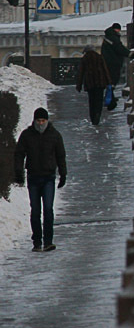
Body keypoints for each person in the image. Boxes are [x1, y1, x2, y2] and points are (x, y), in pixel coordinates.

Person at [14, 107, 67, 252]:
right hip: (33, 178)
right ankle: (37, 241)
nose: (41, 123)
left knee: (48, 210)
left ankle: (48, 241)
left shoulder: (54, 135)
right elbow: (19, 154)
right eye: (38, 120)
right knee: (36, 210)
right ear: (34, 120)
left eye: (43, 120)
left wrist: (63, 174)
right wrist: (18, 172)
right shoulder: (27, 135)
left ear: (47, 120)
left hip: (49, 177)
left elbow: (60, 156)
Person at [77, 45, 112, 125]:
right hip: (100, 83)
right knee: (99, 101)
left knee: (91, 101)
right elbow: (105, 70)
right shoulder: (99, 57)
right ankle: (97, 115)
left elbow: (80, 73)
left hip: (90, 84)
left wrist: (79, 85)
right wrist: (109, 82)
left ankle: (93, 118)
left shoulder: (84, 59)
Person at [101, 22, 131, 110]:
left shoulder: (109, 36)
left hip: (109, 61)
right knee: (112, 80)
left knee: (110, 80)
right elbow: (119, 48)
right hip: (113, 62)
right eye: (118, 30)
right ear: (116, 29)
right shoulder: (113, 37)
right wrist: (130, 54)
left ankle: (110, 97)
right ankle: (109, 100)